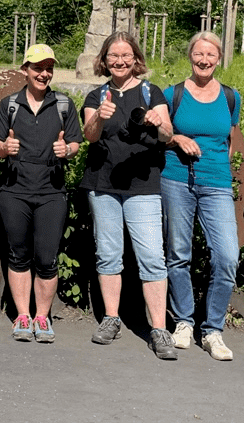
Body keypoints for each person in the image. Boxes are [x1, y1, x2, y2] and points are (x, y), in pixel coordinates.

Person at [81, 31, 177, 360]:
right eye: (113, 56)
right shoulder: (96, 95)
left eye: (126, 55)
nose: (119, 61)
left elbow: (167, 136)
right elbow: (90, 137)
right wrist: (98, 116)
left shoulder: (153, 92)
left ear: (136, 59)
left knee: (151, 255)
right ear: (104, 61)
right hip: (103, 183)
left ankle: (159, 328)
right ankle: (111, 318)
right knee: (108, 254)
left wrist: (156, 122)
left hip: (143, 185)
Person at [0, 44, 83, 343]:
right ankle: (22, 316)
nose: (44, 73)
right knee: (18, 255)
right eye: (37, 68)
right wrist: (5, 148)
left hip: (51, 192)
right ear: (25, 71)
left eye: (48, 68)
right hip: (15, 190)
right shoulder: (10, 105)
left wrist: (66, 150)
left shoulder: (63, 105)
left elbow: (75, 144)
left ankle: (42, 317)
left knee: (46, 258)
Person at [161, 32, 241, 361]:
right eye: (198, 54)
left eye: (210, 55)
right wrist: (178, 138)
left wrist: (219, 164)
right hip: (177, 180)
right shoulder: (172, 94)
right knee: (179, 254)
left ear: (219, 58)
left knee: (226, 256)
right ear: (190, 56)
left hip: (217, 184)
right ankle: (183, 322)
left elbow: (231, 139)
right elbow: (158, 135)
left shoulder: (231, 97)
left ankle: (213, 331)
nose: (204, 60)